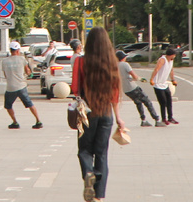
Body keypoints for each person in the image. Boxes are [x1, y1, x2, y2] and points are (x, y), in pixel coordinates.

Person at [70, 28, 126, 202]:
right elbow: (115, 94)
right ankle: (99, 196)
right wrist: (118, 117)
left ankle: (88, 172)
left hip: (87, 112)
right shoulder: (112, 63)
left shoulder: (80, 61)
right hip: (106, 112)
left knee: (85, 150)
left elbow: (75, 88)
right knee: (101, 154)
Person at [0, 41, 43, 129]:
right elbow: (28, 71)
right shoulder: (22, 59)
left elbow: (5, 75)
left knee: (8, 106)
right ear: (18, 50)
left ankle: (15, 122)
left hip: (11, 87)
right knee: (30, 104)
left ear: (10, 50)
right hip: (21, 86)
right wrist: (29, 74)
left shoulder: (4, 61)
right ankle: (38, 121)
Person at [115, 49, 163, 127]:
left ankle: (143, 120)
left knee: (138, 102)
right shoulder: (125, 64)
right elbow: (134, 76)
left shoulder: (115, 66)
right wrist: (140, 79)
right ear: (122, 58)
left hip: (126, 89)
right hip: (133, 87)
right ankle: (157, 119)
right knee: (147, 101)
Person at [150, 46, 179, 124]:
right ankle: (164, 118)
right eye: (174, 55)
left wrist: (173, 80)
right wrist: (152, 79)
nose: (174, 56)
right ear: (171, 55)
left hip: (164, 84)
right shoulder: (162, 60)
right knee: (163, 102)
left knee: (169, 101)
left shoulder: (171, 61)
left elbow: (171, 71)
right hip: (157, 84)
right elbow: (156, 69)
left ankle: (170, 117)